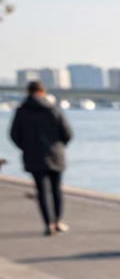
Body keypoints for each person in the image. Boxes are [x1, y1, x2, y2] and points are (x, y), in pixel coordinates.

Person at [8, 80, 73, 236]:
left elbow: (14, 135)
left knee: (42, 191)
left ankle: (48, 223)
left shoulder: (22, 111)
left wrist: (26, 147)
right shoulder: (52, 109)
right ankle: (58, 221)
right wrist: (58, 146)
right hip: (55, 155)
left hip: (33, 156)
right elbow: (67, 133)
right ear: (43, 92)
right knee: (56, 189)